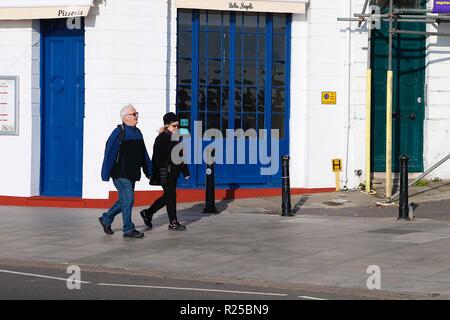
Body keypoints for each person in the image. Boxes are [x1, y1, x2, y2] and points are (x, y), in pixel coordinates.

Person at [99, 104, 152, 238]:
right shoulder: (118, 132)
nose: (136, 116)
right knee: (129, 198)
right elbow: (109, 152)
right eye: (134, 114)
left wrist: (149, 171)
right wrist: (105, 173)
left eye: (136, 113)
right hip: (119, 173)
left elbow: (143, 154)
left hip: (132, 173)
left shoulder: (138, 132)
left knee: (124, 200)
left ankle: (106, 219)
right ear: (125, 118)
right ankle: (128, 229)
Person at [140, 112, 190, 231]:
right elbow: (156, 158)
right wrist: (156, 171)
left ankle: (148, 213)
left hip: (173, 172)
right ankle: (173, 222)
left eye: (178, 126)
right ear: (167, 125)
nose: (176, 128)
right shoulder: (161, 138)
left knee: (168, 196)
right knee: (171, 195)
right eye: (174, 126)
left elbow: (180, 157)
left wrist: (185, 172)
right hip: (164, 173)